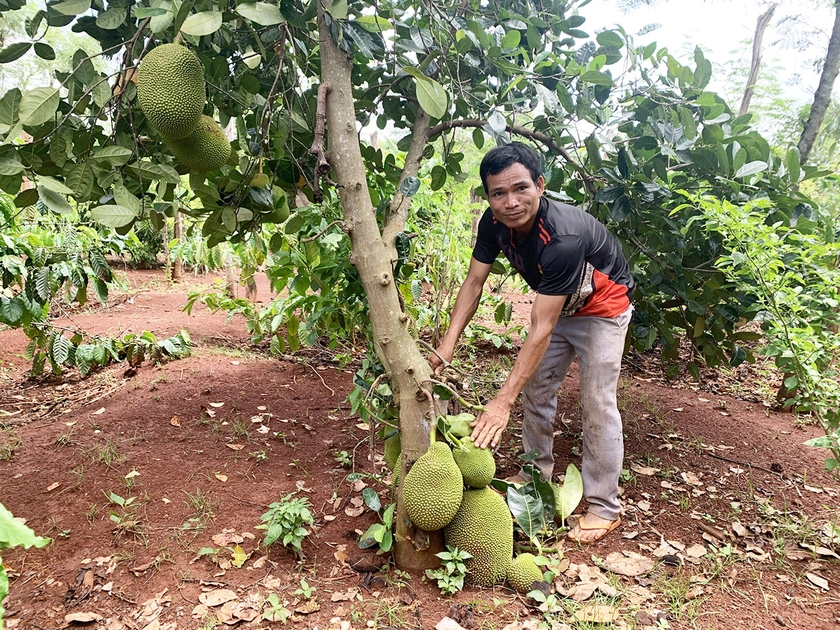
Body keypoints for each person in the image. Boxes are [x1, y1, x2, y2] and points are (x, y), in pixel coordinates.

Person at [429, 142, 635, 543]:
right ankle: (534, 475)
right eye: (498, 193)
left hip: (603, 307)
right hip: (558, 302)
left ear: (540, 185)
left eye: (521, 188)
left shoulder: (562, 237)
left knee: (597, 402)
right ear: (488, 197)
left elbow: (541, 327)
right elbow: (474, 282)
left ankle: (604, 506)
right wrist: (447, 344)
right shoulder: (493, 224)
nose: (511, 202)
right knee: (536, 390)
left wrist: (501, 401)